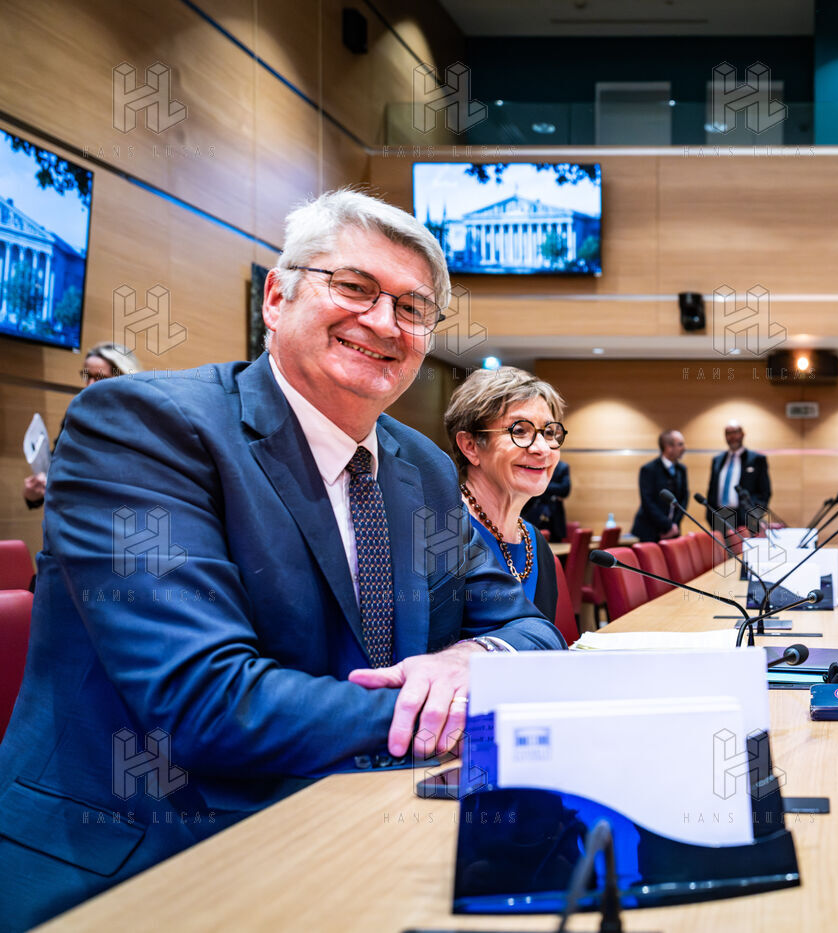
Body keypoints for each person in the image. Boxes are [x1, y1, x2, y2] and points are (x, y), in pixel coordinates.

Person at [0, 189, 565, 929]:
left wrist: (472, 659)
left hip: (373, 829)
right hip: (152, 851)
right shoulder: (144, 427)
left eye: (412, 308)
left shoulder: (422, 467)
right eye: (354, 287)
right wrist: (453, 709)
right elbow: (206, 702)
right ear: (276, 297)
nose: (383, 322)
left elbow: (527, 628)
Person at [445, 366, 568, 624]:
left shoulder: (536, 543)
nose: (542, 449)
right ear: (470, 446)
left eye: (549, 432)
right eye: (519, 430)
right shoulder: (443, 534)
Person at [22, 342, 142, 510]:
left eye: (100, 377)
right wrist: (35, 494)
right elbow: (57, 465)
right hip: (72, 512)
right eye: (87, 376)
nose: (90, 385)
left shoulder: (140, 422)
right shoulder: (76, 413)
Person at [705, 420, 772, 533]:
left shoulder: (757, 459)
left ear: (742, 434)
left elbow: (765, 492)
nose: (732, 436)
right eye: (728, 433)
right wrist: (709, 514)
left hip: (745, 518)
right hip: (719, 517)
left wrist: (755, 515)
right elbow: (712, 490)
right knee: (719, 545)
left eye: (735, 432)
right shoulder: (717, 460)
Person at [631, 430, 687, 543]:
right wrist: (667, 525)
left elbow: (684, 499)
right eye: (680, 444)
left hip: (673, 532)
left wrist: (674, 525)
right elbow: (647, 502)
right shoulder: (649, 469)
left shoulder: (681, 470)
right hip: (649, 531)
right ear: (668, 447)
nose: (684, 448)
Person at [522, 459, 571, 542]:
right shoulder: (533, 464)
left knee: (555, 542)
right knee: (533, 541)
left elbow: (565, 490)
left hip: (554, 517)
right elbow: (528, 485)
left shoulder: (562, 467)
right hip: (533, 512)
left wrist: (541, 486)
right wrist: (554, 490)